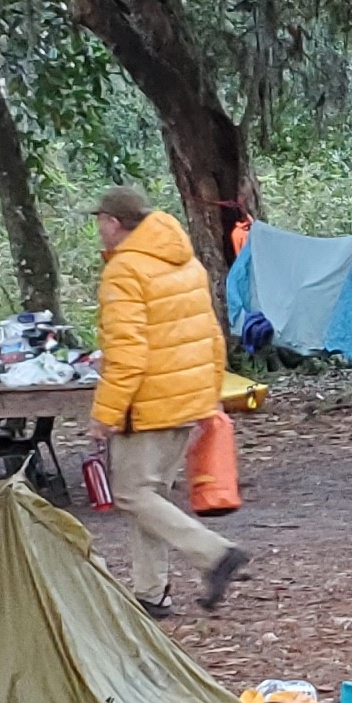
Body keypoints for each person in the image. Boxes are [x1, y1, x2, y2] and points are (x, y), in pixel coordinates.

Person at [88, 185, 245, 616]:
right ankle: (151, 592)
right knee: (149, 494)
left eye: (99, 220)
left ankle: (216, 555)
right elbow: (211, 336)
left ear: (114, 223)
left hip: (150, 404)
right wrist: (208, 397)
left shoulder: (125, 271)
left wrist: (105, 414)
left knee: (133, 495)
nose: (98, 229)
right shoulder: (183, 261)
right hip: (185, 400)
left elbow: (127, 355)